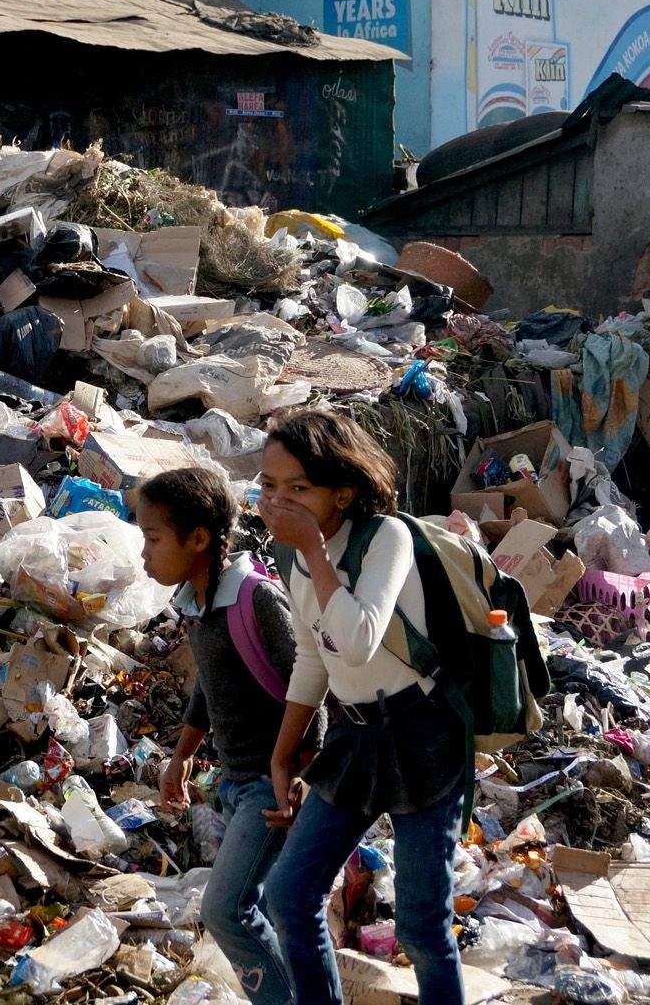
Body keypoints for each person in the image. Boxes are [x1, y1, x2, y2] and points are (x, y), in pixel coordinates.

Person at [254, 408, 467, 1005]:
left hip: (422, 735)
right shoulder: (295, 560)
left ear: (342, 493)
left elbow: (356, 638)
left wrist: (317, 555)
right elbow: (314, 656)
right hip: (354, 740)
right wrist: (283, 753)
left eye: (299, 489)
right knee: (289, 897)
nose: (279, 503)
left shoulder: (386, 538)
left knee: (423, 927)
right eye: (269, 487)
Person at [135, 467, 314, 1003]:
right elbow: (210, 686)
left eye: (153, 539)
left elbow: (312, 683)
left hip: (270, 783)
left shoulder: (254, 599)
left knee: (225, 909)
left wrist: (297, 771)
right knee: (259, 906)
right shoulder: (198, 603)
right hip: (235, 781)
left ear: (199, 539)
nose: (144, 555)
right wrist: (181, 757)